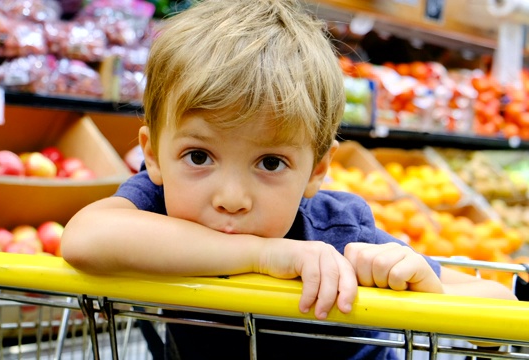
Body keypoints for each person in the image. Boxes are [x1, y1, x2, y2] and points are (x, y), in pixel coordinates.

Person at [60, 0, 518, 358]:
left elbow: (501, 304)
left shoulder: (337, 233)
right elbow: (84, 238)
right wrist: (264, 253)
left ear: (317, 169)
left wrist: (428, 293)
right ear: (153, 154)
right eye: (199, 155)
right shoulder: (157, 203)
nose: (232, 198)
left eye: (271, 163)